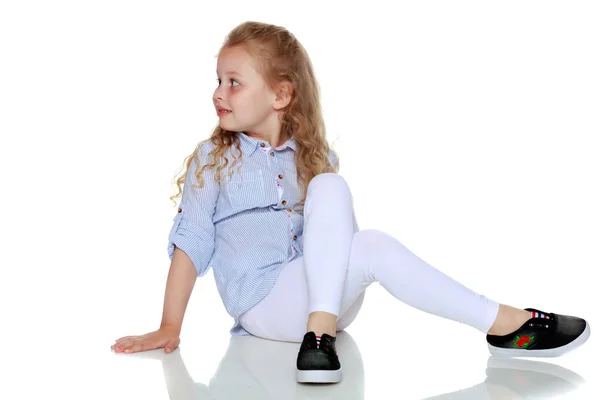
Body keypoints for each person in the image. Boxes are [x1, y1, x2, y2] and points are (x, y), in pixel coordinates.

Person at [111, 21, 591, 384]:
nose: (219, 93)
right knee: (373, 242)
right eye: (217, 81)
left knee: (332, 187)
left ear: (281, 94)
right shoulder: (214, 159)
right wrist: (169, 324)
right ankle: (506, 322)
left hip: (326, 299)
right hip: (263, 305)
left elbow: (333, 233)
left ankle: (322, 335)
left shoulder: (315, 156)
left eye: (234, 82)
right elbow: (192, 242)